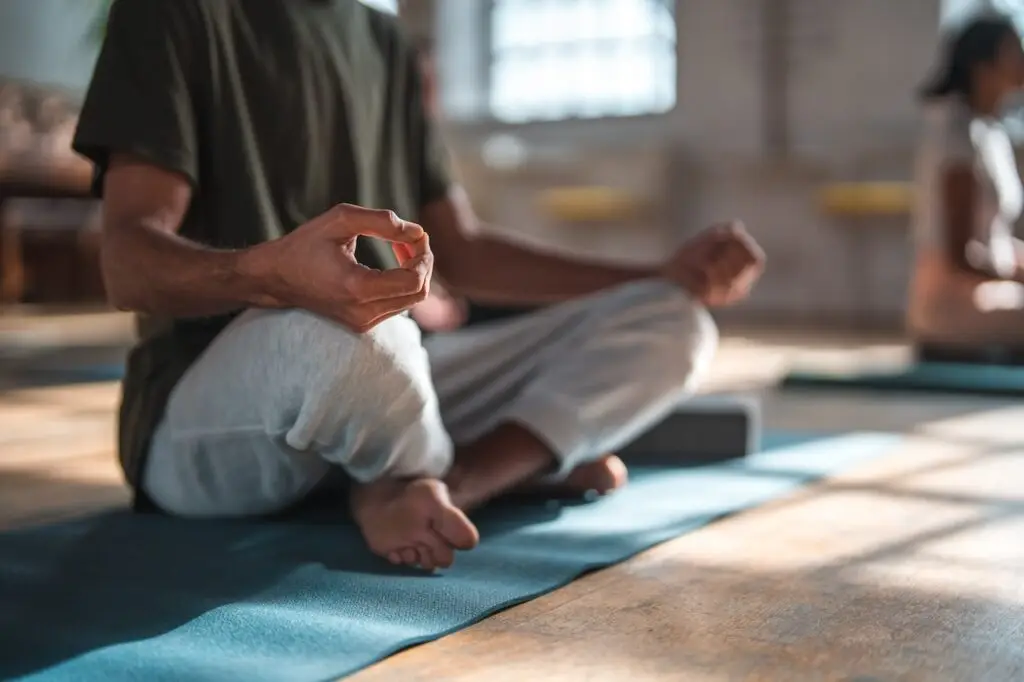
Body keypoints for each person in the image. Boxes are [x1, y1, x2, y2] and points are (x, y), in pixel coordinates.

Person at [72, 0, 765, 571]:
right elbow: (127, 264)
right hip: (219, 412)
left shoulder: (384, 40)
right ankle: (432, 469)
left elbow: (460, 248)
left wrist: (661, 275)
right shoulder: (173, 12)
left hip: (387, 375)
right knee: (354, 337)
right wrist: (269, 274)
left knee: (673, 322)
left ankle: (448, 483)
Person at [908, 14, 1024, 351]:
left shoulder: (990, 131)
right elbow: (962, 255)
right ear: (983, 64)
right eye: (1013, 51)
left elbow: (993, 240)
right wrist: (1016, 275)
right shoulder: (955, 132)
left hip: (990, 291)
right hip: (955, 305)